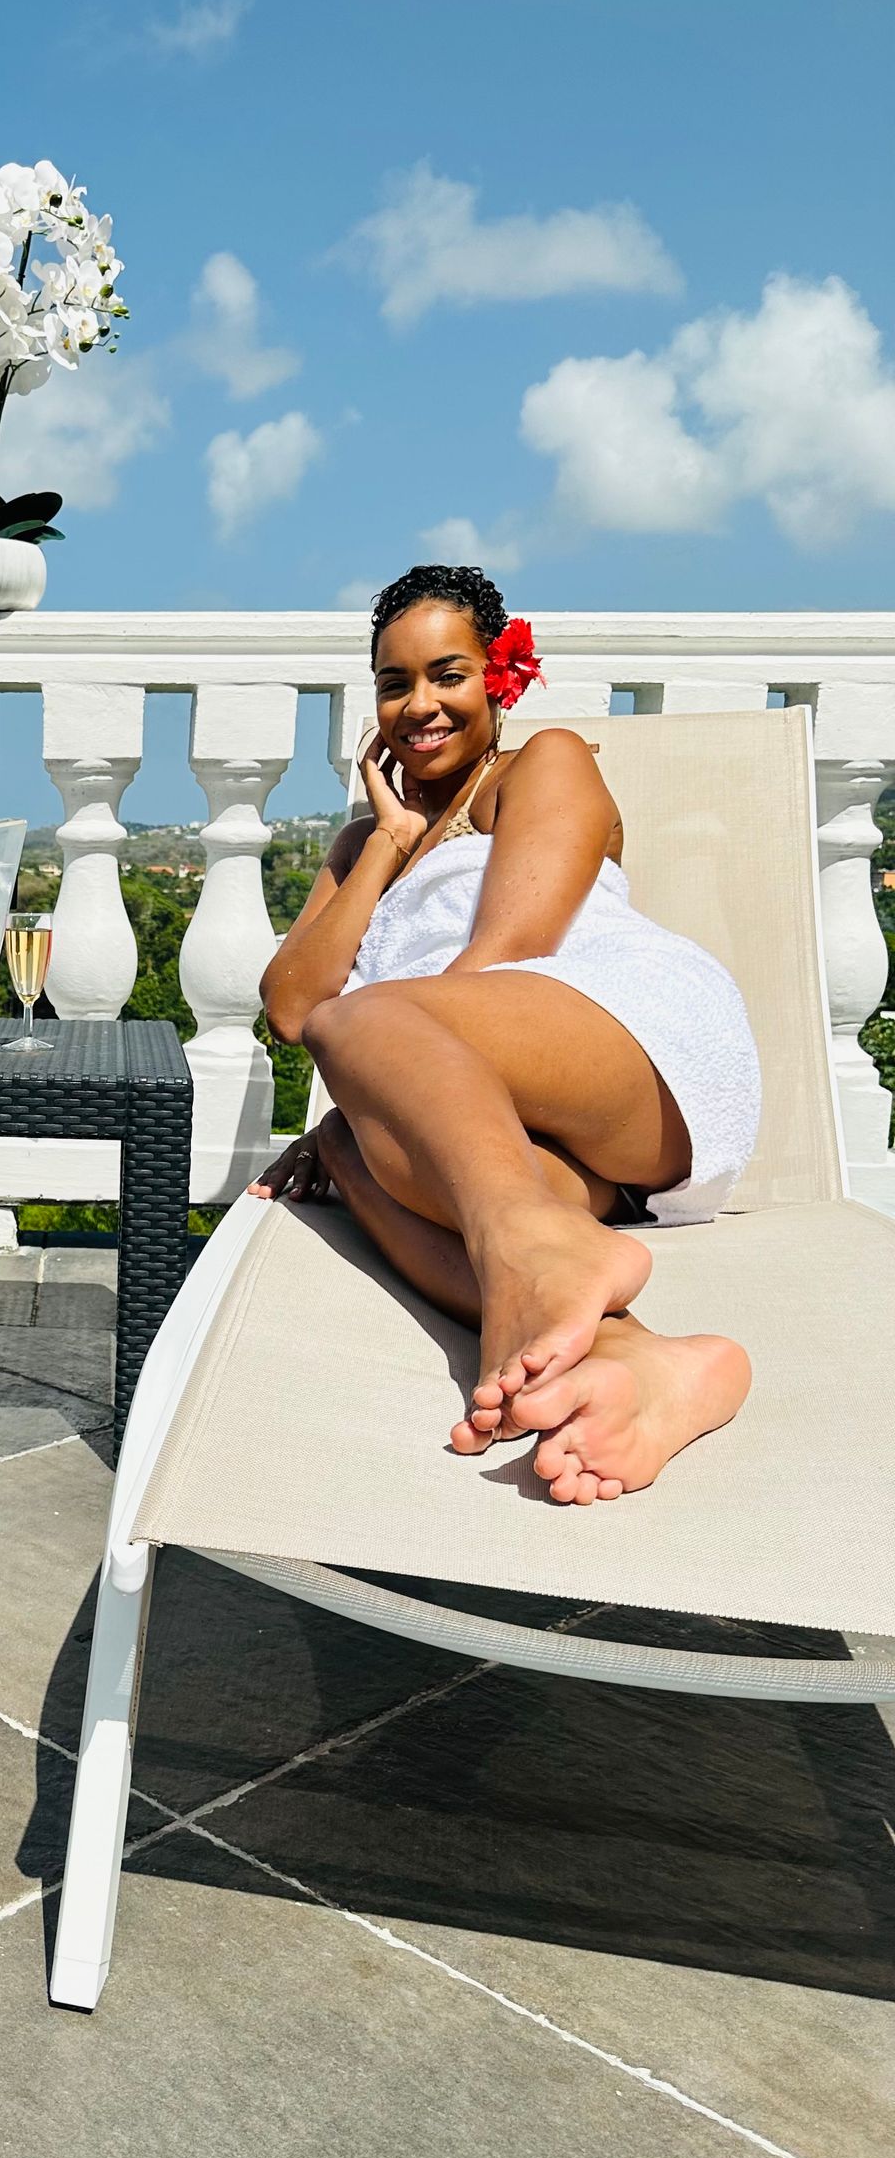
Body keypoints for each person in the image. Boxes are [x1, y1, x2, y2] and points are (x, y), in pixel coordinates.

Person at [254, 564, 759, 1505]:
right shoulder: (362, 841)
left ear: (500, 674)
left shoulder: (545, 762)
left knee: (360, 1033)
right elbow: (289, 1006)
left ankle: (527, 1243)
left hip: (625, 1039)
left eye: (447, 674)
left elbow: (509, 952)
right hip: (500, 1111)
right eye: (394, 683)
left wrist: (378, 1077)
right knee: (352, 1154)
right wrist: (386, 849)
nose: (420, 704)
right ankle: (637, 1365)